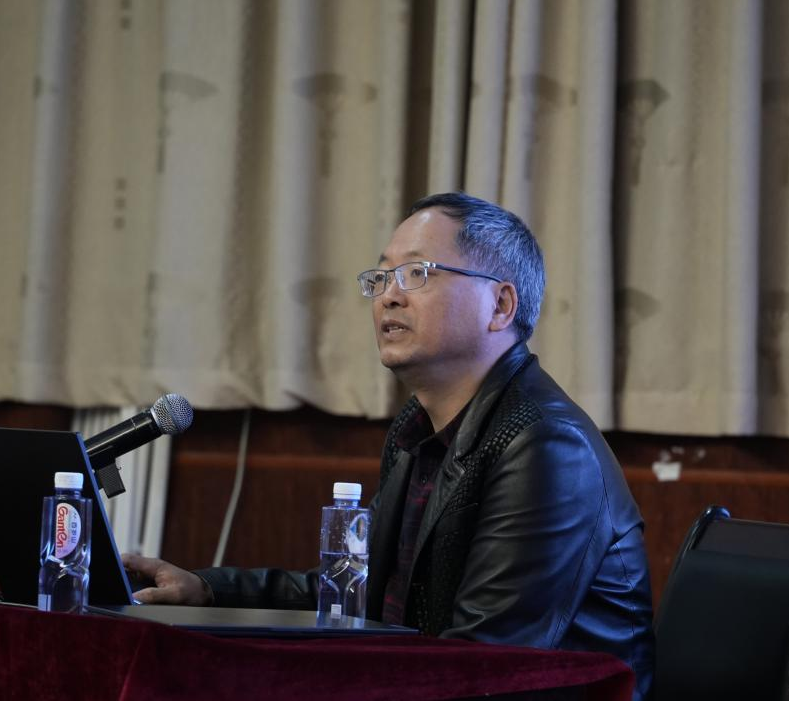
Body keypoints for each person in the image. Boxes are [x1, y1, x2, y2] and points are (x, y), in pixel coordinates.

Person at [123, 192, 654, 697]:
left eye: (417, 273)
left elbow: (486, 663)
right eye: (381, 277)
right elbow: (352, 587)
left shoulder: (546, 446)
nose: (389, 296)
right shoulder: (418, 428)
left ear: (500, 305)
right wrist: (206, 589)